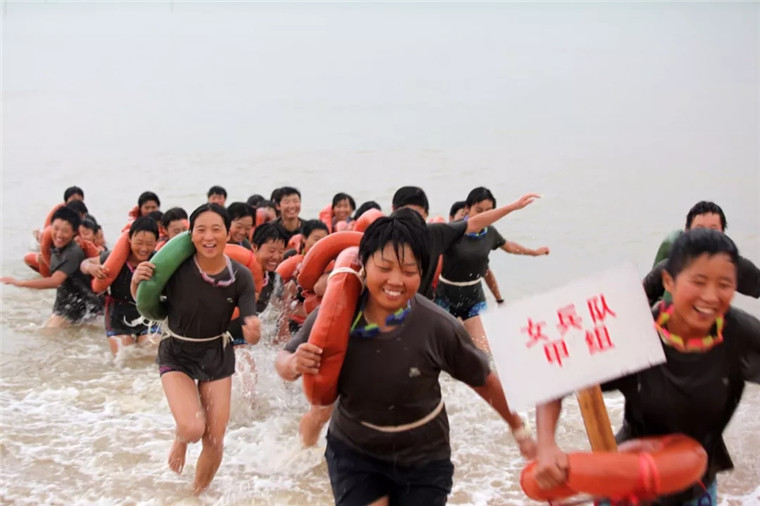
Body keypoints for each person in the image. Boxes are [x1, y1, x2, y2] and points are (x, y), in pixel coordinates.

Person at [275, 211, 535, 505]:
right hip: (354, 452)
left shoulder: (438, 325)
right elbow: (284, 359)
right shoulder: (337, 315)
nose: (396, 281)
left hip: (424, 457)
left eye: (409, 271)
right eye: (385, 267)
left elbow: (483, 381)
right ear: (364, 265)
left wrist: (519, 429)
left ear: (421, 272)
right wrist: (293, 363)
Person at [533, 229, 760, 506]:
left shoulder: (741, 336)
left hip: (696, 489)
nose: (711, 296)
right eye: (698, 281)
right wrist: (547, 446)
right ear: (669, 281)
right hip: (627, 485)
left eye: (724, 284)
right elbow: (556, 376)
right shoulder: (634, 335)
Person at [130, 203, 260, 494]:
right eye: (201, 230)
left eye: (216, 229)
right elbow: (145, 303)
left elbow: (250, 327)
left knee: (214, 439)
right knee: (191, 429)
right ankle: (180, 437)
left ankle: (195, 495)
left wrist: (253, 331)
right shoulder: (176, 269)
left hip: (216, 354)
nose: (208, 236)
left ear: (228, 233)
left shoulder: (240, 276)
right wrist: (137, 280)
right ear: (190, 235)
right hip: (177, 352)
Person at [435, 187, 549, 351]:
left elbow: (508, 248)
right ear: (467, 209)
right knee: (445, 348)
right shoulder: (452, 230)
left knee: (483, 351)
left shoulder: (491, 233)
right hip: (445, 296)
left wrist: (534, 253)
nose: (484, 215)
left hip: (474, 298)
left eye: (489, 211)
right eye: (479, 210)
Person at [391, 186, 541, 299]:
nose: (409, 221)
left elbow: (475, 225)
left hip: (424, 305)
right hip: (405, 301)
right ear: (393, 210)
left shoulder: (435, 233)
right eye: (404, 213)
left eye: (416, 214)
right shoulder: (382, 234)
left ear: (425, 215)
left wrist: (513, 207)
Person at [2, 207, 103, 328]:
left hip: (82, 306)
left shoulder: (73, 253)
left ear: (74, 232)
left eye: (65, 231)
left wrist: (20, 283)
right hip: (64, 303)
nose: (59, 235)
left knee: (46, 334)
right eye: (56, 229)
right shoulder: (55, 245)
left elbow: (55, 281)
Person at [645, 201, 760, 305]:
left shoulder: (734, 266)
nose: (706, 236)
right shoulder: (668, 267)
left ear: (723, 234)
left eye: (713, 230)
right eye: (699, 229)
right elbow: (639, 297)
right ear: (687, 232)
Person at [82, 217, 160, 356]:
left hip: (146, 314)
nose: (144, 248)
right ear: (129, 239)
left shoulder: (158, 260)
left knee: (150, 356)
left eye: (149, 244)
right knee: (125, 359)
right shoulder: (115, 258)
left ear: (156, 242)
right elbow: (85, 263)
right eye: (139, 243)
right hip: (117, 315)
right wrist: (90, 268)